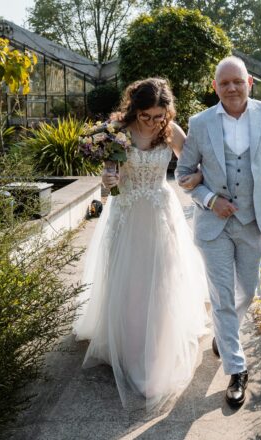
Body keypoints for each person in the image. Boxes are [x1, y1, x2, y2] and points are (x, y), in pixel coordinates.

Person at [73, 78, 208, 412]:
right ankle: (132, 350)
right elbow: (110, 170)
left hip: (161, 212)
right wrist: (109, 177)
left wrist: (197, 178)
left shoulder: (172, 131)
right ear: (135, 108)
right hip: (127, 212)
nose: (153, 122)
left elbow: (194, 166)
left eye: (159, 116)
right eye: (147, 116)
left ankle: (157, 348)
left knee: (161, 278)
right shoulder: (117, 129)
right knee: (130, 281)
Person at [175, 56, 261, 407]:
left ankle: (223, 333)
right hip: (213, 226)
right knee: (221, 296)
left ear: (249, 83)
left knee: (248, 291)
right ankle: (236, 368)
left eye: (237, 81)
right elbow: (182, 174)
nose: (231, 88)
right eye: (224, 83)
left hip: (254, 221)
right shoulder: (199, 123)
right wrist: (209, 198)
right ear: (215, 87)